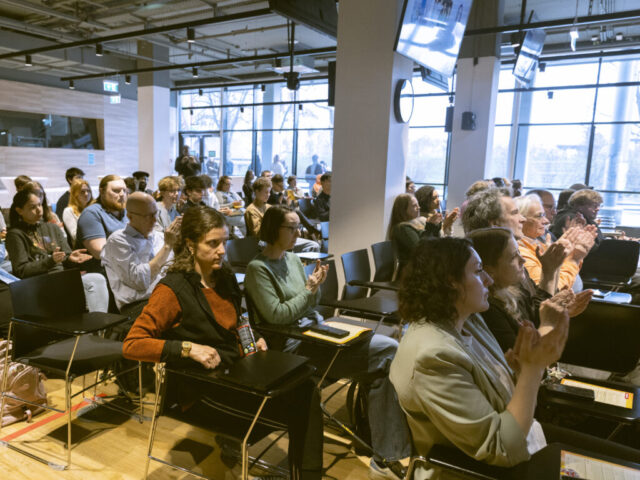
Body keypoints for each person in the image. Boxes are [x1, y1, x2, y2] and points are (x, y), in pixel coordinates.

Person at [390, 237, 640, 479]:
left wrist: (523, 367)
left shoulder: (469, 319)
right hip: (487, 467)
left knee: (631, 459)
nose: (488, 280)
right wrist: (532, 369)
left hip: (524, 436)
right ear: (451, 282)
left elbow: (504, 390)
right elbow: (502, 449)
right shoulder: (434, 356)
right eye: (478, 271)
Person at [122, 206, 323, 479]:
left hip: (234, 375)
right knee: (301, 398)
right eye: (213, 243)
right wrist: (186, 348)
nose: (221, 251)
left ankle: (307, 474)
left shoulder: (224, 277)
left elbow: (238, 322)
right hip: (202, 390)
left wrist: (252, 340)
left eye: (224, 242)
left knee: (305, 386)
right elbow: (132, 344)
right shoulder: (172, 289)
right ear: (191, 245)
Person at [244, 205, 411, 478]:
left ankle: (382, 447)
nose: (298, 233)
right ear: (274, 229)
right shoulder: (257, 269)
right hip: (295, 344)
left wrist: (316, 287)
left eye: (298, 227)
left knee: (386, 354)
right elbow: (277, 316)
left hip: (315, 330)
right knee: (386, 353)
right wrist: (309, 290)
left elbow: (313, 304)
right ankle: (387, 454)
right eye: (291, 228)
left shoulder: (293, 259)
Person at [468, 227, 591, 352]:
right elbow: (524, 357)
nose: (523, 260)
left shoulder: (516, 286)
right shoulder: (489, 308)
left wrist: (560, 312)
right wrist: (551, 318)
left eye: (519, 252)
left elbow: (536, 320)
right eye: (513, 257)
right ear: (490, 270)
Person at [6, 188, 108, 312]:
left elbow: (65, 256)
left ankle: (98, 322)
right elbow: (21, 270)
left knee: (97, 278)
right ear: (19, 210)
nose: (39, 209)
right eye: (32, 207)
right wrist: (51, 261)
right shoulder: (15, 234)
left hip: (61, 277)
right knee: (91, 282)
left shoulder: (52, 228)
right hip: (38, 283)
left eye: (39, 205)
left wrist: (70, 258)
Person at [516, 194, 596, 292]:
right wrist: (574, 259)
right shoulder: (520, 253)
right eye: (539, 216)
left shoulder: (537, 243)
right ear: (520, 220)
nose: (546, 221)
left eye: (544, 215)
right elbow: (551, 292)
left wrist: (568, 250)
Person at [76, 174, 128, 272]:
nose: (122, 194)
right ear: (102, 192)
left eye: (124, 190)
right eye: (116, 191)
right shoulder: (91, 214)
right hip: (102, 272)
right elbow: (100, 252)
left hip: (126, 268)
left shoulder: (127, 212)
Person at [387, 193, 430, 276]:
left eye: (418, 205)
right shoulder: (402, 228)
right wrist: (430, 227)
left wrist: (445, 225)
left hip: (419, 268)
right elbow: (421, 249)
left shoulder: (415, 224)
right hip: (412, 272)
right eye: (414, 206)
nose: (419, 207)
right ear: (403, 210)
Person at [62, 178, 93, 245]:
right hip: (82, 247)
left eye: (88, 191)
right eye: (82, 192)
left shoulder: (95, 208)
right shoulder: (69, 211)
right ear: (75, 194)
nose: (86, 194)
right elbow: (75, 235)